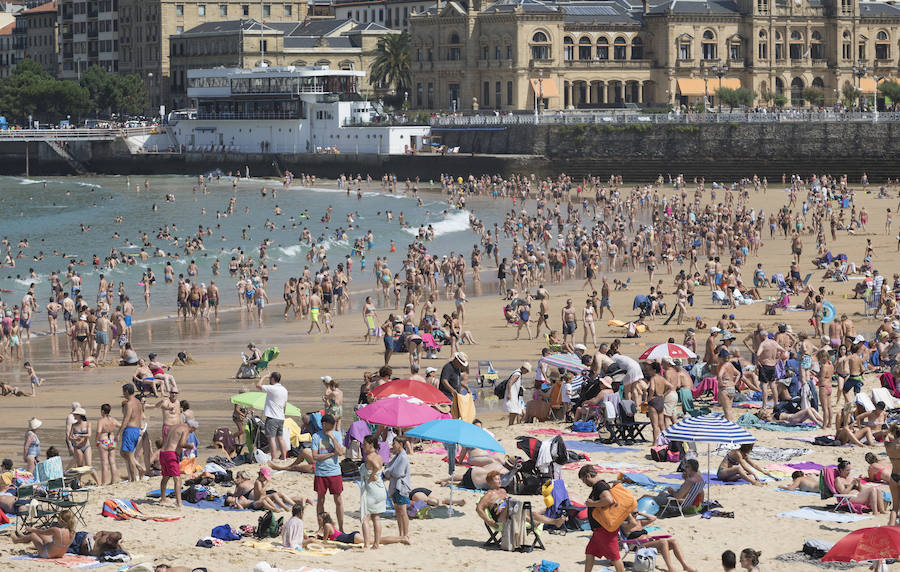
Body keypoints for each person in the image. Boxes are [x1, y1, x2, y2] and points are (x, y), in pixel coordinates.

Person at [579, 465, 625, 572]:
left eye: (584, 480)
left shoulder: (600, 486)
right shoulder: (600, 486)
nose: (585, 483)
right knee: (590, 551)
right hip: (599, 529)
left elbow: (608, 500)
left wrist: (592, 504)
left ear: (588, 475)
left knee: (614, 557)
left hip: (604, 528)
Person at [619, 511, 697, 572]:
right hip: (638, 546)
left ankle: (685, 566)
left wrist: (640, 513)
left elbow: (653, 518)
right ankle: (670, 568)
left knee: (674, 541)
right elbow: (632, 522)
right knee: (663, 542)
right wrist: (629, 513)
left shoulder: (639, 522)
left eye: (637, 513)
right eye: (634, 513)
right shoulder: (625, 524)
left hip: (650, 543)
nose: (636, 515)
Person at [311, 413, 345, 532]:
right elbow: (315, 456)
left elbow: (340, 452)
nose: (333, 427)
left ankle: (341, 527)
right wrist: (330, 454)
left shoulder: (336, 434)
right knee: (320, 499)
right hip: (321, 473)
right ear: (324, 424)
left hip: (334, 472)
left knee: (338, 500)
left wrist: (332, 437)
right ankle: (320, 527)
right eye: (331, 425)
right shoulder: (316, 436)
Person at [158, 420, 197, 508]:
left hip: (163, 453)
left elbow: (172, 441)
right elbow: (182, 443)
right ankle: (179, 503)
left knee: (165, 477)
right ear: (192, 427)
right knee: (177, 479)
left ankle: (163, 499)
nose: (191, 433)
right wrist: (190, 446)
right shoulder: (185, 429)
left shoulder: (173, 427)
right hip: (171, 454)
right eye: (192, 431)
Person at [11, 509, 76, 559]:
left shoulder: (56, 530)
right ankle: (24, 537)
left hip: (47, 554)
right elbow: (43, 533)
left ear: (61, 520)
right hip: (60, 555)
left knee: (33, 534)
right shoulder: (73, 532)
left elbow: (42, 532)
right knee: (44, 534)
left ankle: (16, 540)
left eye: (58, 518)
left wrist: (30, 529)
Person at [359, 435, 387, 549]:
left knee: (365, 517)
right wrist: (374, 473)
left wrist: (372, 474)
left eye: (365, 444)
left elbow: (375, 466)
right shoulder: (379, 456)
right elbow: (379, 466)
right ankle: (376, 544)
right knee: (376, 518)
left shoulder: (370, 457)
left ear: (371, 445)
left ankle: (366, 544)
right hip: (380, 489)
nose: (363, 446)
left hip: (371, 490)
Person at [383, 436, 411, 541]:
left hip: (401, 487)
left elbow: (397, 472)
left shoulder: (403, 457)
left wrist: (387, 471)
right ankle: (401, 533)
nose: (392, 445)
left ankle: (406, 534)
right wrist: (388, 471)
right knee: (398, 511)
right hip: (396, 486)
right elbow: (390, 469)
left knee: (403, 511)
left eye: (394, 443)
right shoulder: (398, 456)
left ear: (400, 444)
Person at [256, 371, 288, 460]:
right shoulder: (284, 390)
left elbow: (258, 385)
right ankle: (284, 457)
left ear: (273, 379)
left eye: (270, 378)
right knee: (281, 438)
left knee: (271, 439)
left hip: (272, 417)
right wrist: (283, 415)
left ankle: (273, 458)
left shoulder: (272, 388)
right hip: (281, 417)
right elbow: (285, 405)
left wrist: (264, 377)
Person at [117, 384, 142, 482]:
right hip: (136, 430)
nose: (123, 393)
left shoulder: (129, 404)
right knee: (123, 453)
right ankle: (139, 468)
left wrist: (119, 433)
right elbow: (140, 416)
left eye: (123, 391)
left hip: (130, 430)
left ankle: (133, 479)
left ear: (127, 391)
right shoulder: (138, 402)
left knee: (130, 455)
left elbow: (126, 419)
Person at [95, 404, 120, 485]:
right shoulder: (113, 420)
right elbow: (121, 426)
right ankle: (113, 481)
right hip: (112, 441)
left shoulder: (101, 421)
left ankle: (103, 482)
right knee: (112, 462)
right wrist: (118, 435)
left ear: (102, 411)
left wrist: (96, 440)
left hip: (104, 441)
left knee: (104, 463)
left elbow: (99, 431)